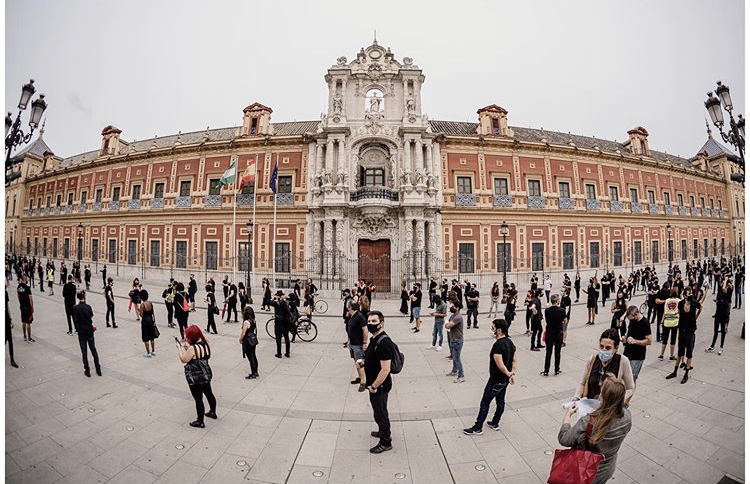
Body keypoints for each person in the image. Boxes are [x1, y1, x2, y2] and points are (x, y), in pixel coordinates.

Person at [558, 375, 632, 484]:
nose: (599, 396)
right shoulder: (627, 416)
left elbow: (564, 439)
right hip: (607, 469)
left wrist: (567, 416)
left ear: (604, 399)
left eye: (601, 393)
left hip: (586, 471)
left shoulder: (588, 421)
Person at [464, 319, 516, 435]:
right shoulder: (510, 342)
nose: (492, 329)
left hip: (495, 380)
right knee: (500, 401)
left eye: (493, 328)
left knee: (485, 403)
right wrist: (511, 373)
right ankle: (495, 423)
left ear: (499, 330)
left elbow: (500, 364)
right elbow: (514, 360)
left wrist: (508, 373)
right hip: (504, 380)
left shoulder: (498, 345)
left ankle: (478, 427)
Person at [364, 310, 396, 454]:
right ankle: (382, 431)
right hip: (375, 384)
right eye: (369, 321)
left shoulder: (384, 343)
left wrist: (374, 386)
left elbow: (385, 369)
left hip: (379, 386)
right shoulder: (375, 338)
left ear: (381, 323)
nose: (370, 324)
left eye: (374, 321)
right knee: (379, 411)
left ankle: (385, 442)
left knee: (381, 413)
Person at [574, 328, 635, 404]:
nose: (604, 350)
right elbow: (582, 383)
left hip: (609, 408)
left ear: (616, 348)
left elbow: (630, 388)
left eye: (608, 348)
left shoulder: (623, 361)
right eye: (601, 346)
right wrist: (576, 399)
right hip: (589, 406)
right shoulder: (592, 359)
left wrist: (619, 401)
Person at [176, 325, 217, 428]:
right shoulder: (204, 344)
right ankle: (213, 412)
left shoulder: (192, 348)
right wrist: (187, 348)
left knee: (198, 398)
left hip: (195, 377)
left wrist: (180, 348)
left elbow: (183, 359)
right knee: (209, 393)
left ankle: (200, 421)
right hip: (206, 373)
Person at [667, 288, 701, 383]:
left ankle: (686, 374)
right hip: (682, 330)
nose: (689, 295)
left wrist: (696, 316)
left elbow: (701, 307)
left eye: (690, 293)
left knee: (689, 353)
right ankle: (675, 371)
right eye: (688, 293)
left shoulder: (694, 303)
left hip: (690, 331)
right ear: (684, 295)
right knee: (680, 352)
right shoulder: (681, 303)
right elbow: (678, 312)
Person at [72, 290, 101, 377]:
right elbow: (91, 316)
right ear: (84, 297)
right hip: (89, 330)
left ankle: (87, 370)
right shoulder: (88, 307)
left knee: (84, 352)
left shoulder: (75, 308)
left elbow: (75, 320)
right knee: (93, 350)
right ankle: (98, 369)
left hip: (81, 332)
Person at [622, 306, 652, 385]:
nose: (630, 320)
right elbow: (629, 331)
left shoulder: (645, 323)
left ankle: (630, 392)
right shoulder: (632, 320)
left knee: (631, 379)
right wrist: (625, 337)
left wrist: (635, 341)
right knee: (624, 375)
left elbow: (649, 341)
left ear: (636, 314)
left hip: (637, 356)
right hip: (627, 352)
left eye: (631, 318)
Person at [707, 277, 733, 355]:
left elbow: (724, 289)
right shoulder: (720, 291)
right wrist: (717, 301)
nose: (721, 284)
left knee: (723, 331)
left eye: (723, 283)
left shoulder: (729, 290)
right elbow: (718, 299)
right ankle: (712, 346)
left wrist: (726, 280)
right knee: (715, 330)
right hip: (718, 313)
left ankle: (721, 347)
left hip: (724, 314)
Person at [346, 300, 368, 391]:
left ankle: (363, 382)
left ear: (352, 308)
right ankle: (360, 377)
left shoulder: (360, 317)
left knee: (359, 362)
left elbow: (365, 330)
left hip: (358, 345)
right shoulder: (352, 316)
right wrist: (349, 341)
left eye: (349, 307)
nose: (347, 308)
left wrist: (364, 343)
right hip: (352, 344)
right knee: (356, 362)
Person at [542, 294, 565, 376]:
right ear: (558, 301)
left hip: (549, 332)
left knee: (548, 352)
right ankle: (557, 369)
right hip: (558, 333)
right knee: (557, 352)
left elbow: (547, 320)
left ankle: (546, 370)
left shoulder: (547, 310)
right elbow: (564, 320)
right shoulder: (562, 310)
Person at [658, 287, 680, 361]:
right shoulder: (679, 301)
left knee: (664, 339)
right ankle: (671, 356)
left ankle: (661, 355)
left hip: (667, 321)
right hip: (675, 322)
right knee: (673, 340)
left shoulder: (667, 301)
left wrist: (662, 321)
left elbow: (665, 312)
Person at [445, 300, 464, 382]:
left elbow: (447, 326)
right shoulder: (453, 316)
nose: (451, 307)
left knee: (457, 358)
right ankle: (454, 371)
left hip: (457, 340)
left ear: (458, 308)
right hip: (453, 339)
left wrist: (447, 323)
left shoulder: (458, 317)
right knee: (455, 357)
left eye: (453, 306)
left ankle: (461, 376)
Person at [269, 290, 292, 358]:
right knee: (286, 338)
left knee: (278, 339)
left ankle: (279, 353)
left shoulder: (275, 303)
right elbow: (289, 313)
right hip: (285, 323)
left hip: (278, 323)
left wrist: (273, 298)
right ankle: (287, 353)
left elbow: (268, 301)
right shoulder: (284, 303)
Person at [239, 306, 259, 379]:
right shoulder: (253, 320)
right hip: (252, 340)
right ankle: (256, 372)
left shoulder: (246, 322)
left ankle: (253, 373)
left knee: (250, 357)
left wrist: (240, 339)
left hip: (247, 341)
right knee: (253, 355)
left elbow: (243, 332)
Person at [17, 275, 34, 342]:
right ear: (25, 279)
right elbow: (30, 299)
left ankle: (24, 336)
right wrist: (32, 307)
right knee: (28, 323)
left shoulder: (19, 287)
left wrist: (21, 303)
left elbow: (18, 296)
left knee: (23, 321)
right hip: (27, 307)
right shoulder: (27, 288)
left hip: (22, 306)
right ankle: (29, 337)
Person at [140, 290, 157, 357]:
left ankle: (148, 353)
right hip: (151, 321)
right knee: (151, 337)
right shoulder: (150, 303)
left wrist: (139, 310)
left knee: (146, 338)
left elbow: (141, 315)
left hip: (145, 322)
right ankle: (153, 351)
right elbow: (152, 313)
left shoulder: (142, 305)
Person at [6, 289, 18, 368]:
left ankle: (12, 360)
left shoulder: (5, 292)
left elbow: (7, 306)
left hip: (6, 319)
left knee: (10, 340)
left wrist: (10, 319)